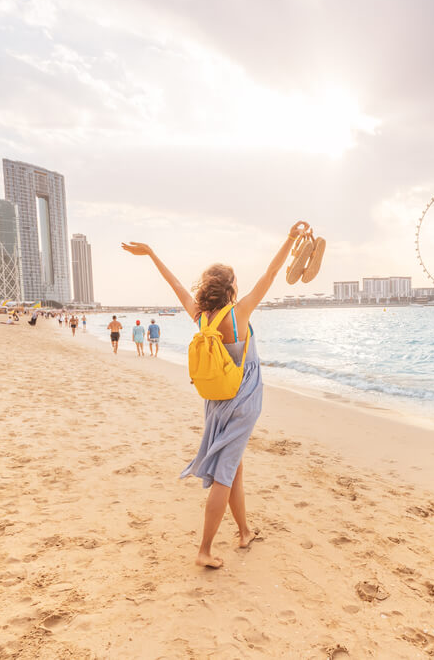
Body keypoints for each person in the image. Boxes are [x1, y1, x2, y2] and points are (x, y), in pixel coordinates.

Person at [122, 220, 307, 569]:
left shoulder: (201, 316)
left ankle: (244, 532)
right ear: (232, 287)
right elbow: (272, 272)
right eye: (236, 279)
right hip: (243, 397)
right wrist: (290, 238)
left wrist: (151, 254)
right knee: (226, 471)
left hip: (216, 401)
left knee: (233, 467)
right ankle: (204, 550)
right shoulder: (239, 313)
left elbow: (173, 282)